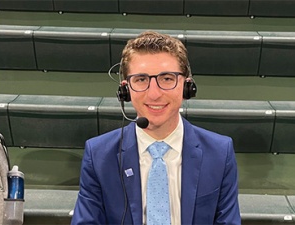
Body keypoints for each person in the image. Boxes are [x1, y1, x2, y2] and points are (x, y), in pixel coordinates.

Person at [71, 31, 241, 225]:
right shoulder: (99, 155)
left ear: (187, 87)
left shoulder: (220, 152)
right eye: (141, 80)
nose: (154, 94)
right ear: (125, 90)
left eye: (167, 79)